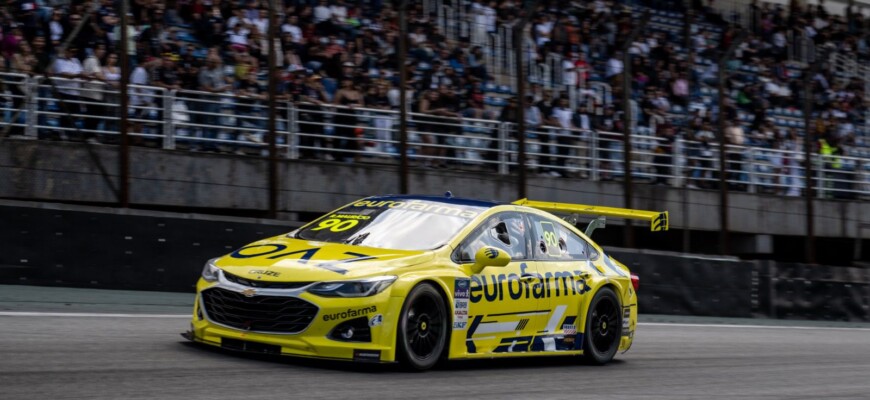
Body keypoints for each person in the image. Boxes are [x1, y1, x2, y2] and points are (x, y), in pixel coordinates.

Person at [332, 77, 364, 162]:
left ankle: (349, 156)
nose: (346, 82)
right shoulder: (340, 91)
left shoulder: (357, 92)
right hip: (341, 116)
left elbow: (361, 104)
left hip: (351, 117)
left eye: (348, 80)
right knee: (338, 136)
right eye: (345, 80)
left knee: (351, 136)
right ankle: (337, 156)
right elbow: (335, 103)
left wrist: (355, 105)